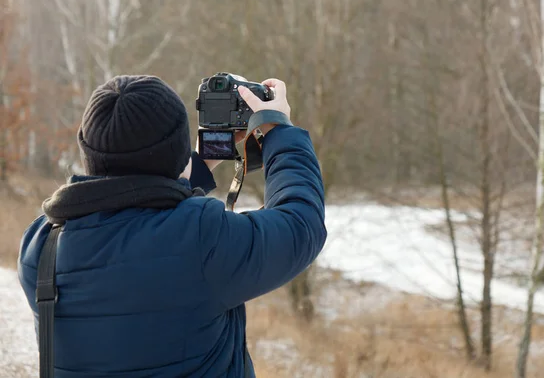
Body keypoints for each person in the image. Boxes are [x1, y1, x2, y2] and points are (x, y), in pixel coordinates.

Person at [18, 75, 327, 377]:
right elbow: (301, 223)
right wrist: (277, 128)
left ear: (89, 152)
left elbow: (130, 213)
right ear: (176, 151)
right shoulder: (203, 238)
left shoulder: (41, 249)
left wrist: (200, 164)